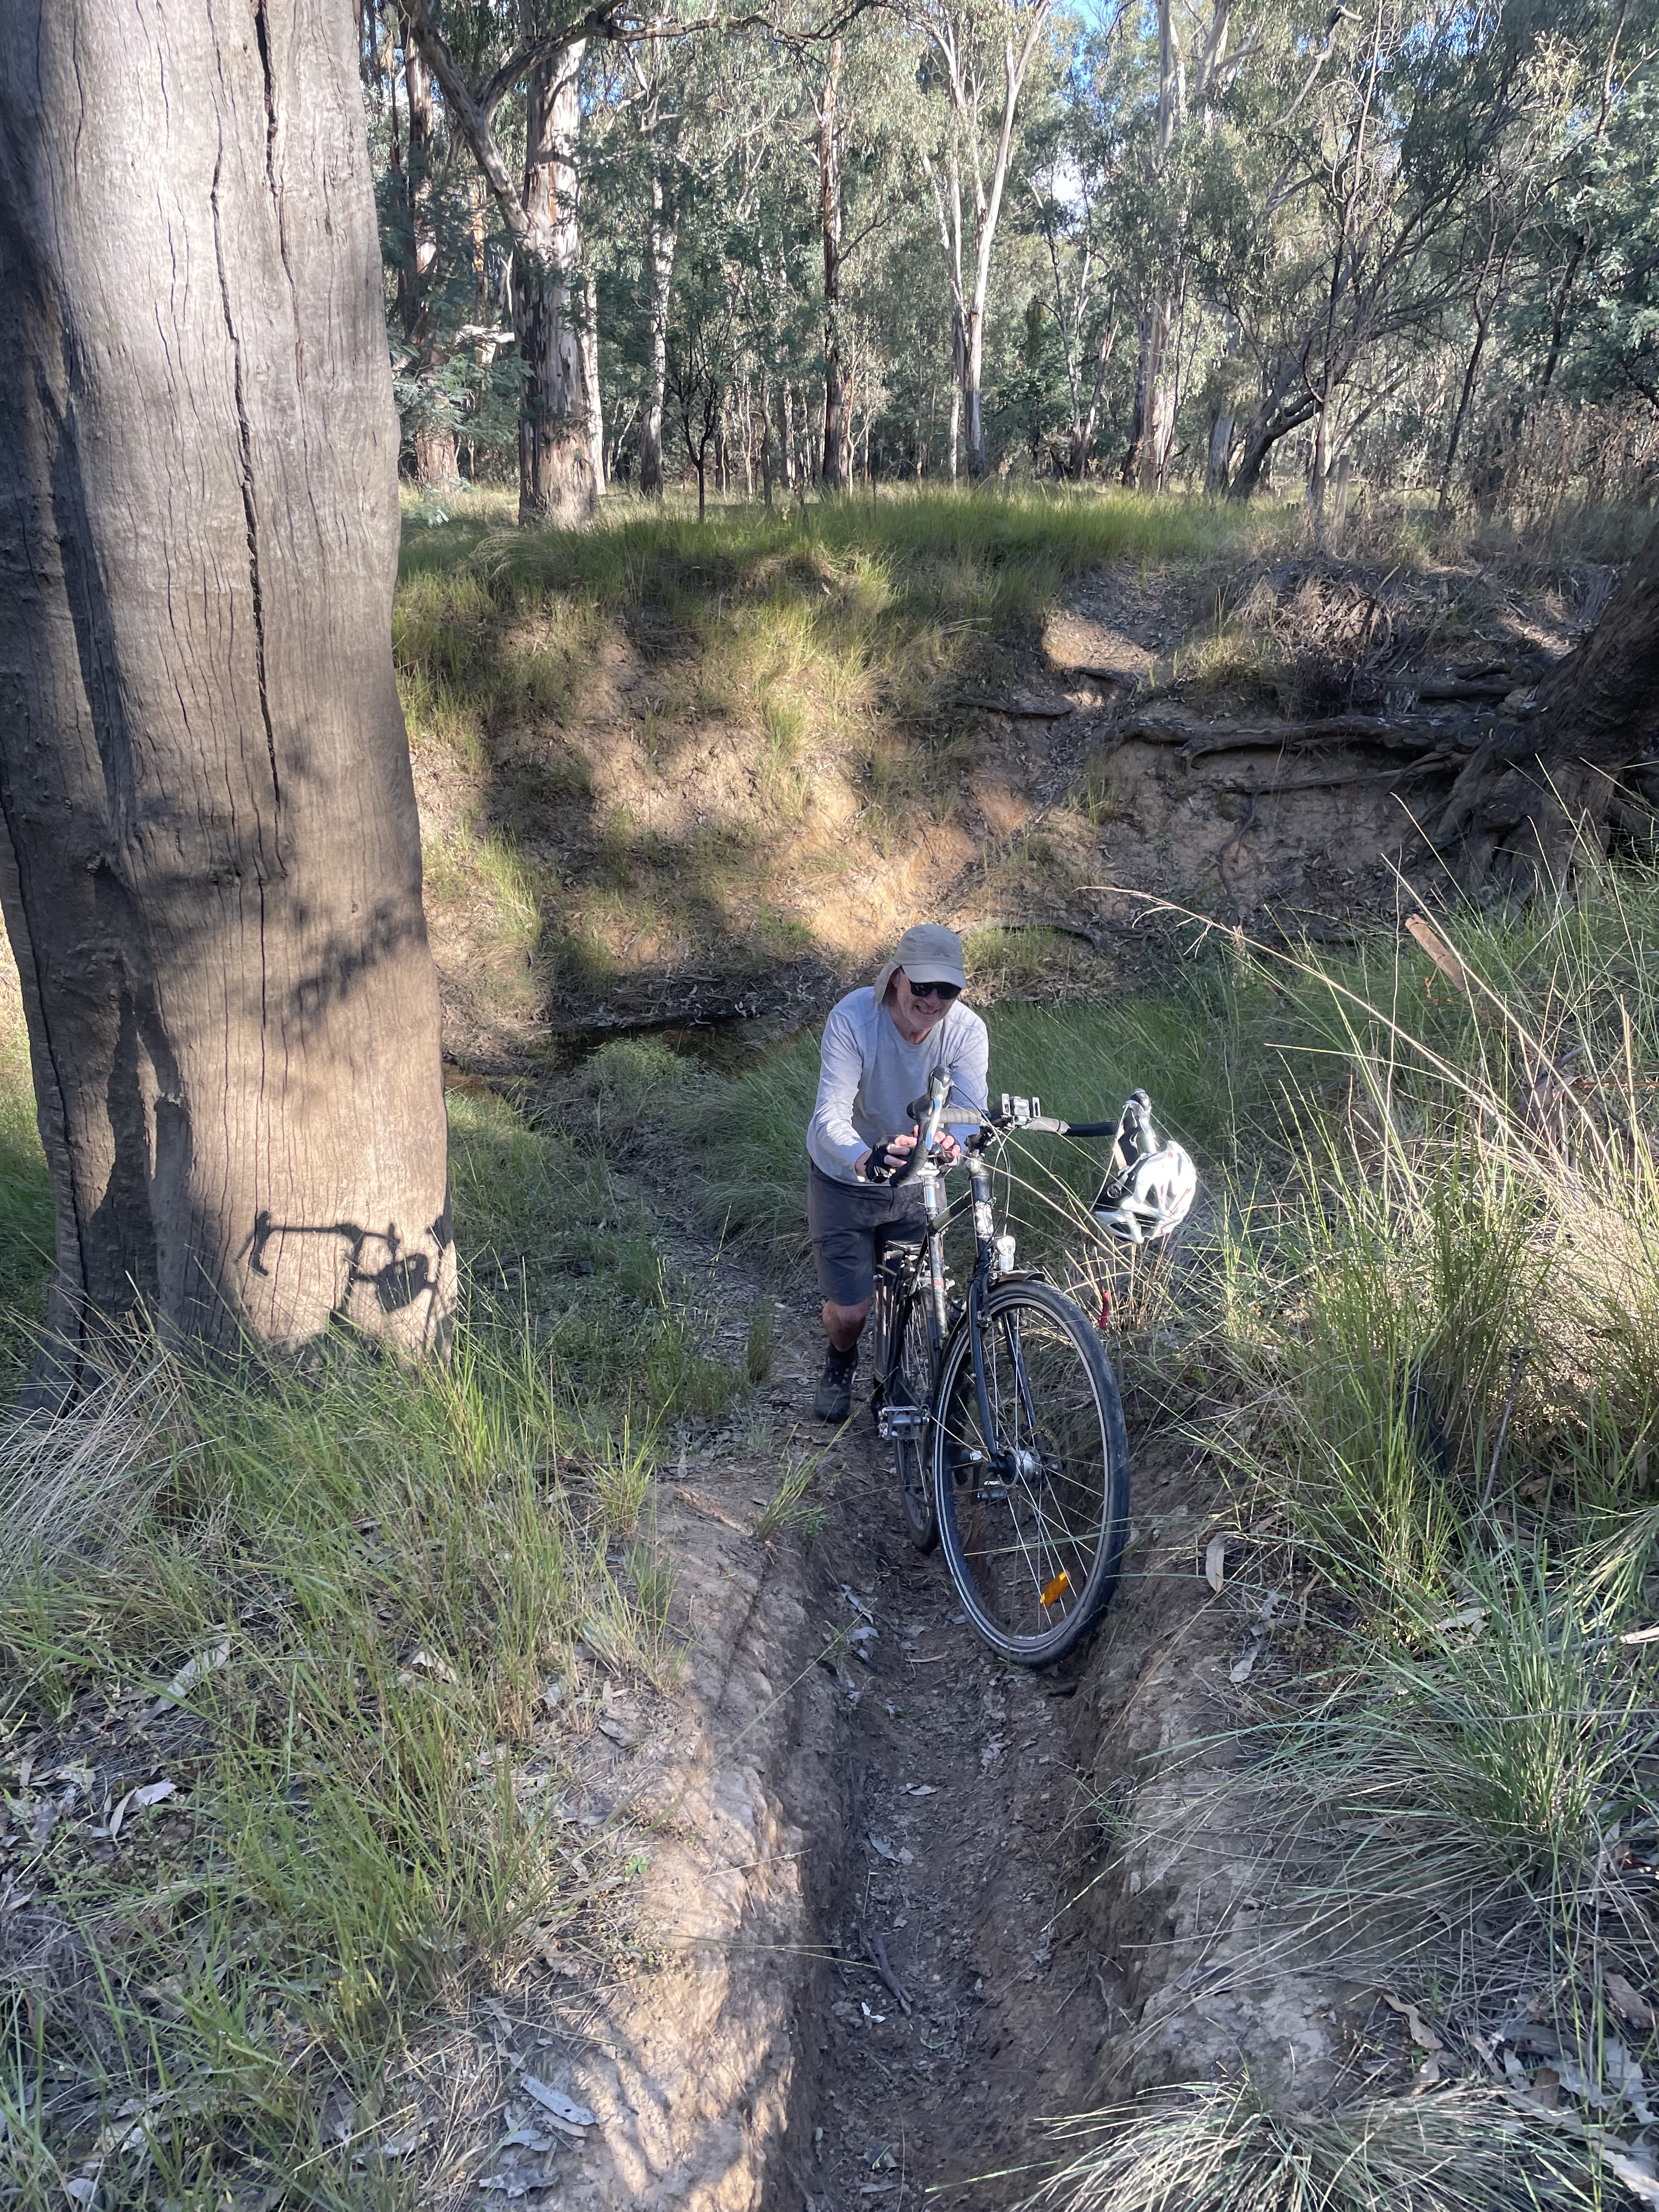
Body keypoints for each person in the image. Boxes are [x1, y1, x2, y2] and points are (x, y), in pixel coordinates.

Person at [805, 924, 989, 1421]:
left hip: (919, 1183)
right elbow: (829, 1116)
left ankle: (895, 1376)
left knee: (915, 1294)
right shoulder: (854, 1019)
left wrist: (953, 1142)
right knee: (850, 1312)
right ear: (896, 978)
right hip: (847, 1178)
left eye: (946, 990)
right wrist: (866, 1157)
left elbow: (973, 1112)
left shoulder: (967, 1032)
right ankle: (840, 1360)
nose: (931, 1001)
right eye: (922, 986)